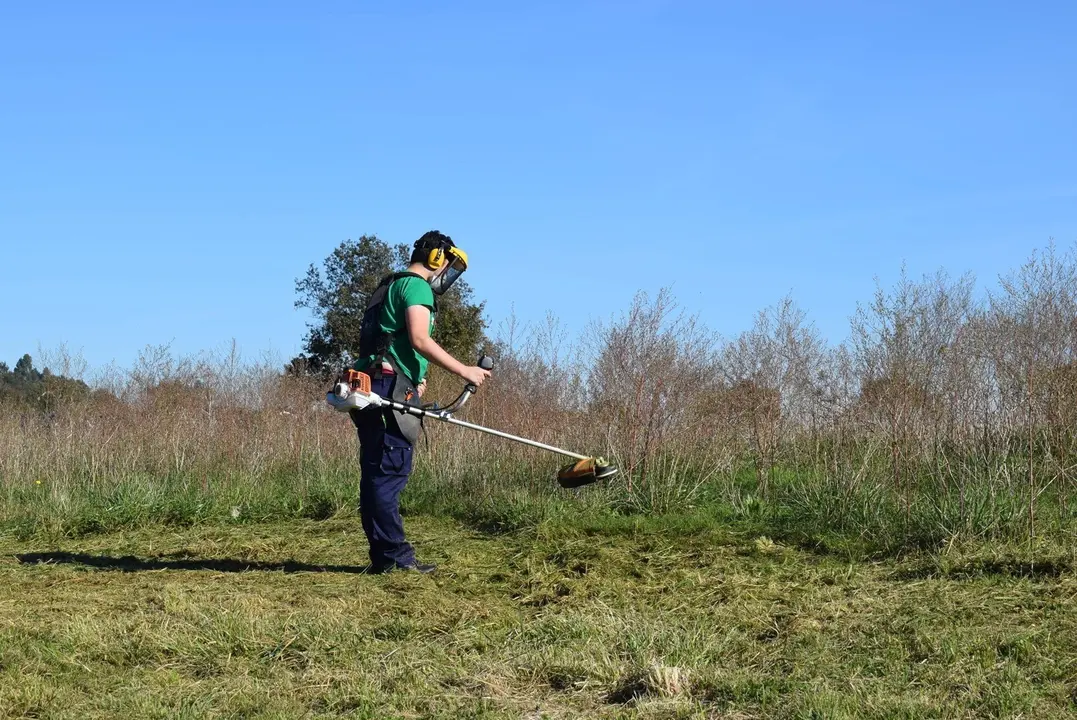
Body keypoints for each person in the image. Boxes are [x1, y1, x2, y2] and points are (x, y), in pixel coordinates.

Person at [351, 230, 491, 574]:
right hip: (387, 387)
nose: (448, 276)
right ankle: (395, 559)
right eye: (451, 266)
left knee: (376, 472)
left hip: (374, 382)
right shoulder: (417, 286)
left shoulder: (390, 285)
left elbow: (388, 339)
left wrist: (414, 376)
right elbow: (418, 338)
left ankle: (384, 557)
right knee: (388, 471)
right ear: (437, 258)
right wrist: (466, 371)